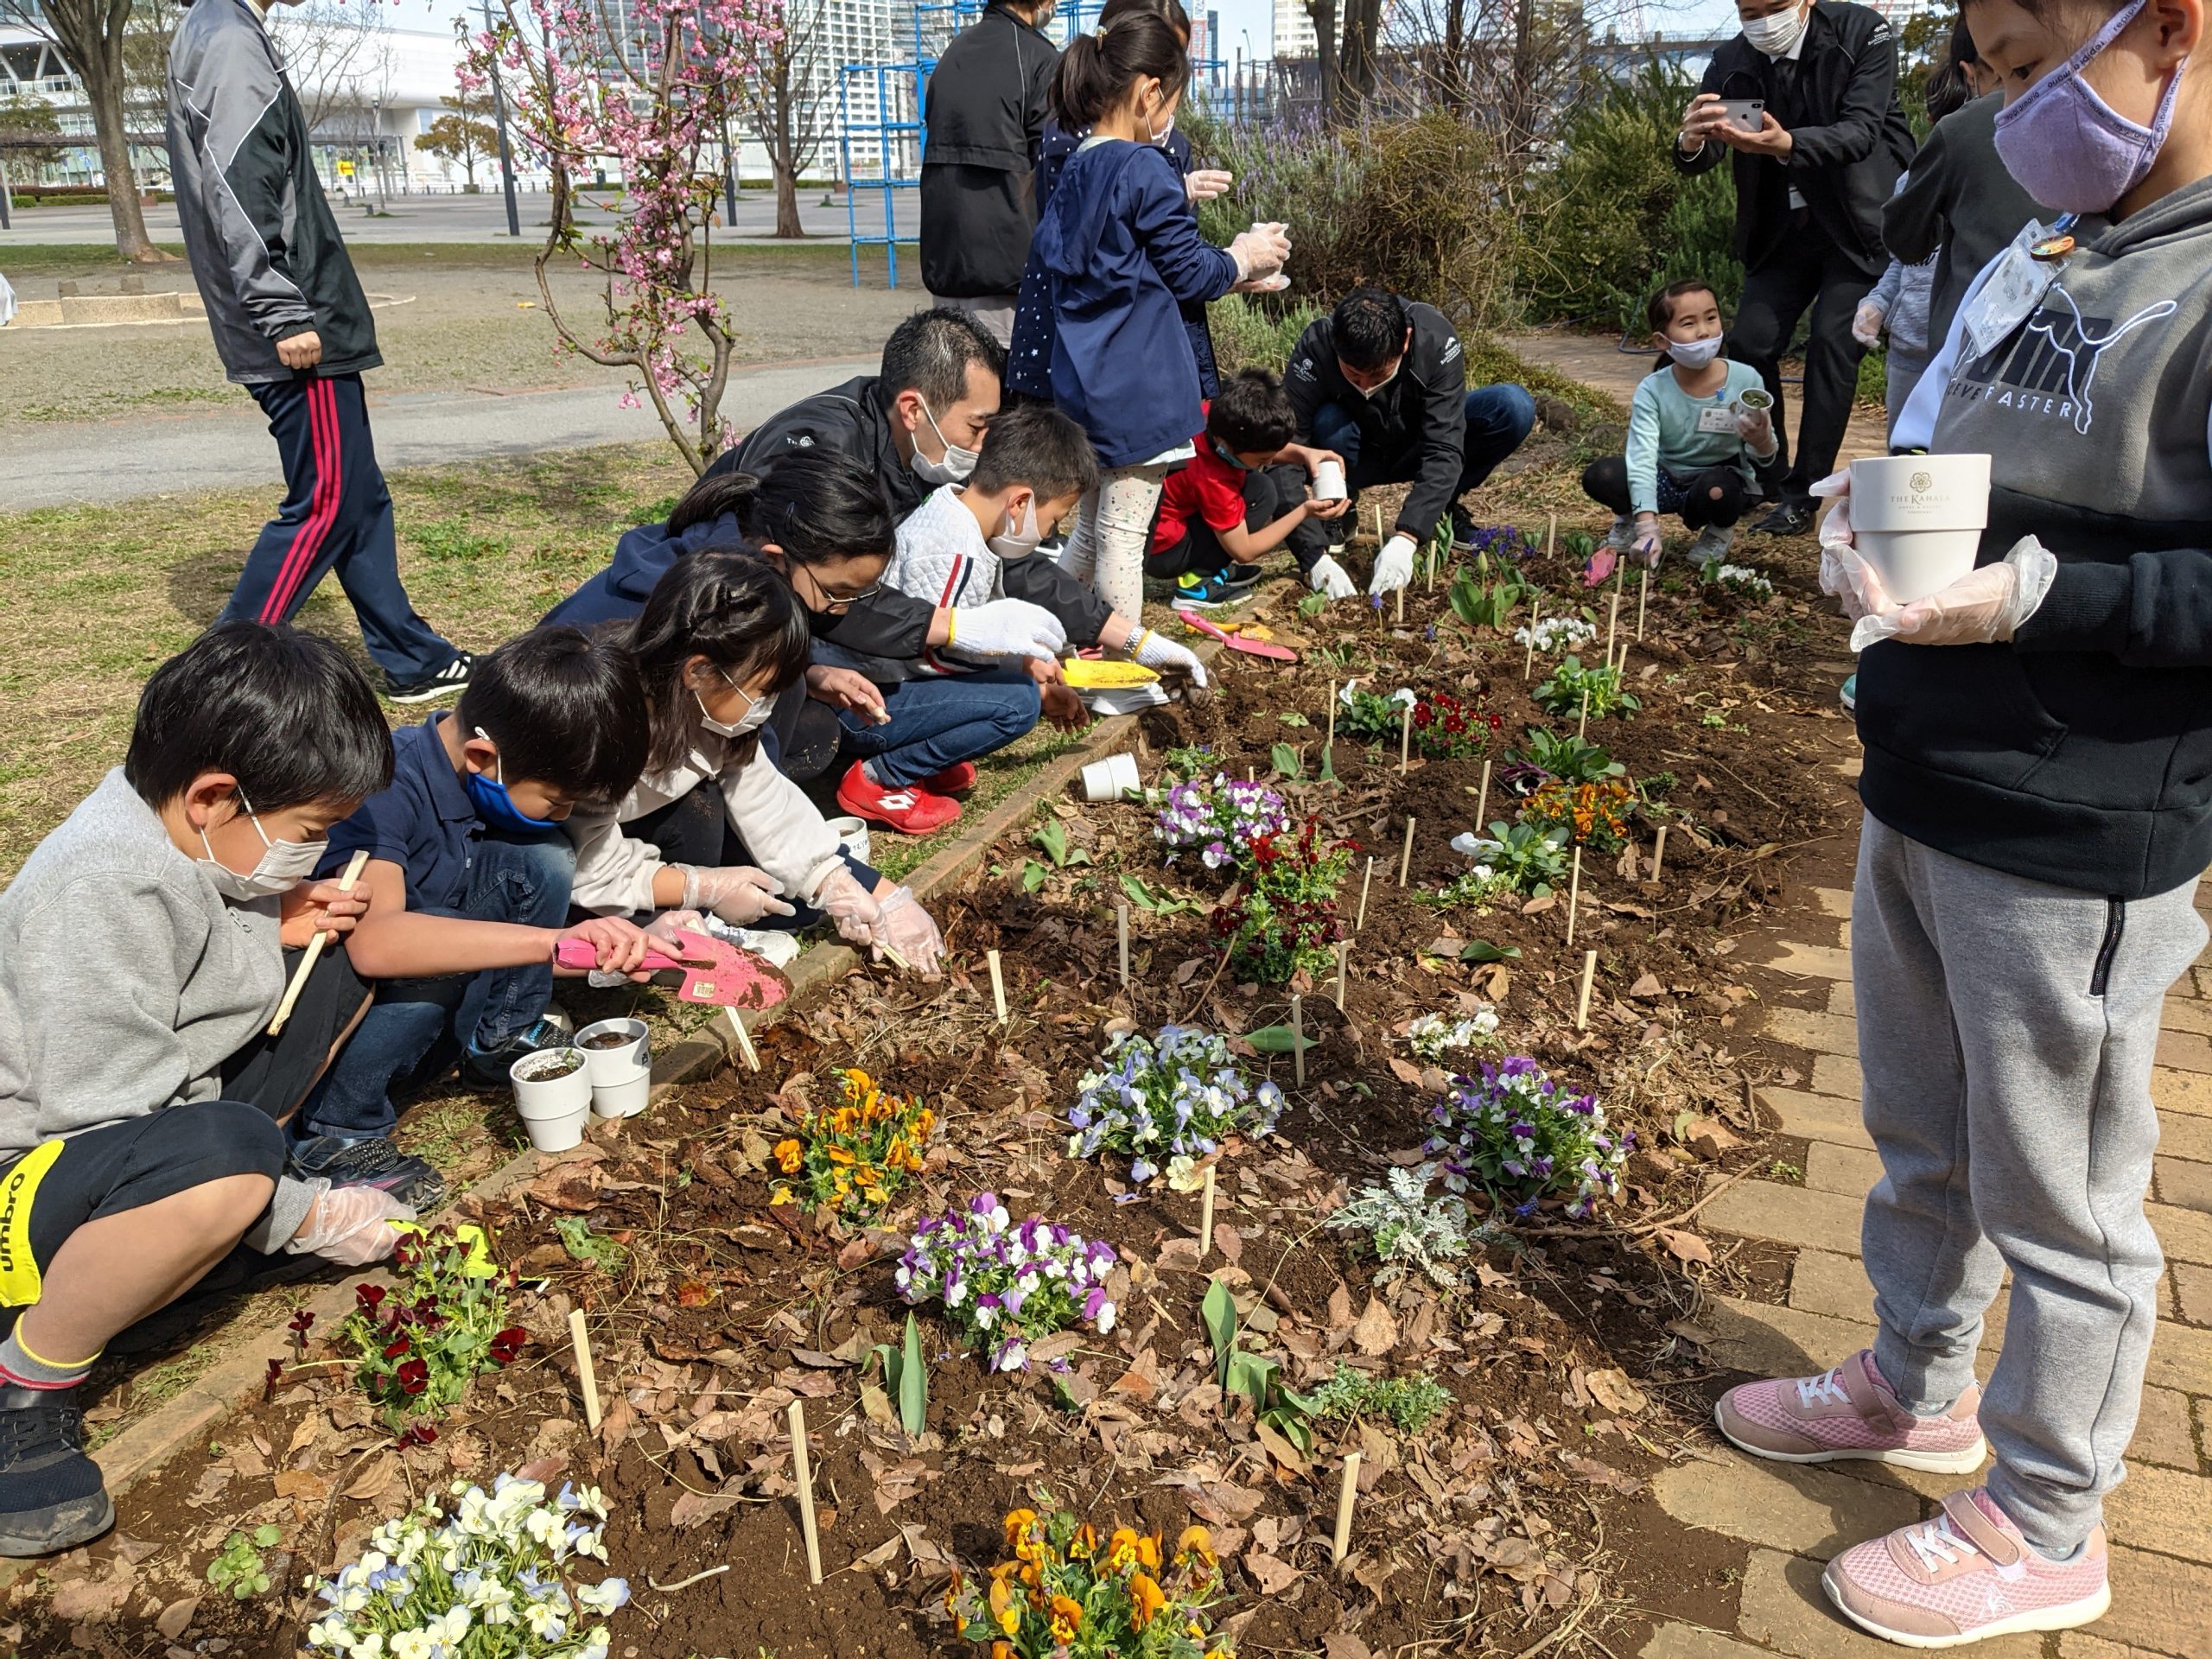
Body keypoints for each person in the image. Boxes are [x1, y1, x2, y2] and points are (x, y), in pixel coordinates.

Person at [1720, 0, 2212, 1644]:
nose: (2002, 109)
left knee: (2062, 1190)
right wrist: (1873, 506)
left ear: (2169, 29)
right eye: (1987, 72)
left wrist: (2041, 596)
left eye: (2023, 65)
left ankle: (2050, 1517)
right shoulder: (2063, 239)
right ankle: (1917, 1382)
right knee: (1925, 1131)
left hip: (2077, 819)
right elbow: (1955, 445)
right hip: (1930, 761)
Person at [0, 624, 413, 1555]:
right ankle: (27, 1381)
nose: (313, 855)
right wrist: (296, 1212)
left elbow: (191, 954)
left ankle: (209, 1225)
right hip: (22, 1183)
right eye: (308, 834)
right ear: (213, 797)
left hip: (128, 1127)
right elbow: (102, 1110)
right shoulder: (103, 882)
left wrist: (273, 920)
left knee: (328, 974)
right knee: (228, 1155)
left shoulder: (174, 836)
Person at [165, 0, 470, 704]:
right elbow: (239, 185)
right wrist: (279, 308)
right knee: (329, 500)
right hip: (295, 322)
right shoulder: (230, 37)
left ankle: (411, 658)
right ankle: (215, 684)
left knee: (357, 496)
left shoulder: (220, 28)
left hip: (297, 312)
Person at [289, 629, 660, 1208]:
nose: (564, 814)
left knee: (542, 858)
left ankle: (500, 1036)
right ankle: (336, 1132)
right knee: (436, 956)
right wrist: (551, 943)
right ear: (484, 758)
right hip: (353, 999)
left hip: (429, 976)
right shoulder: (381, 792)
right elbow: (378, 943)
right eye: (558, 800)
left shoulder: (479, 771)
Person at [1008, 10, 1289, 631]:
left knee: (1086, 535)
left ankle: (1043, 637)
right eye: (1174, 104)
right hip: (1141, 392)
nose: (1172, 122)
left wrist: (1235, 267)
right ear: (1148, 92)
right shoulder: (1145, 169)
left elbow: (1121, 266)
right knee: (1123, 540)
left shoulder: (1077, 163)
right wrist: (1243, 255)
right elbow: (1189, 272)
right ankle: (1119, 672)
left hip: (1086, 383)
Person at [567, 555, 947, 974]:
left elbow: (765, 797)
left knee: (798, 906)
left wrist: (840, 883)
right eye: (762, 690)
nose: (765, 708)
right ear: (699, 670)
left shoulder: (705, 707)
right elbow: (586, 865)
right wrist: (700, 888)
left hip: (617, 848)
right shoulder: (605, 728)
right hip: (558, 864)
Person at [823, 404, 1207, 809]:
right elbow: (933, 658)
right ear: (1020, 503)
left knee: (1018, 687)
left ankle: (929, 756)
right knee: (1018, 704)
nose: (1049, 533)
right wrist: (1031, 684)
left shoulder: (953, 510)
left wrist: (1023, 661)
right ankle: (881, 778)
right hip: (863, 707)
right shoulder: (954, 553)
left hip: (878, 687)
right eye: (1054, 519)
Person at [1674, 0, 1916, 535]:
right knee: (1752, 342)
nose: (1762, 20)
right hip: (1780, 229)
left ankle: (1804, 495)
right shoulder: (1734, 58)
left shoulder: (1863, 33)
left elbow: (1861, 131)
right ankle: (1770, 470)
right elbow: (1711, 147)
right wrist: (1691, 141)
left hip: (1858, 223)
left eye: (1775, 7)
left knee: (1834, 343)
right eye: (1749, 10)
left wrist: (1787, 144)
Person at [543, 453, 901, 784]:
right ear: (774, 558)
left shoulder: (731, 566)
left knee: (813, 726)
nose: (841, 608)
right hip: (578, 755)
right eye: (836, 592)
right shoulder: (703, 605)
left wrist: (811, 672)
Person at [1023, 0, 1235, 406]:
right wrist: (1236, 259)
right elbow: (1109, 254)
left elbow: (1172, 252)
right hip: (1110, 364)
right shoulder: (1101, 145)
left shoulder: (1151, 144)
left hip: (1121, 355)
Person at [1285, 288, 1537, 597]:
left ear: (1404, 341)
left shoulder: (1435, 340)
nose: (1365, 387)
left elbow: (1444, 445)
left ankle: (1441, 508)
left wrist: (1409, 534)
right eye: (1353, 375)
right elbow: (1282, 452)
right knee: (1327, 421)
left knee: (1513, 406)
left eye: (1377, 376)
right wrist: (1313, 556)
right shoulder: (1317, 346)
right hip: (1352, 452)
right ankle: (1338, 508)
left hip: (1415, 445)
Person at [1579, 281, 1782, 573]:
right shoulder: (1653, 389)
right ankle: (1629, 519)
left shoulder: (1746, 379)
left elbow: (1766, 458)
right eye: (1689, 323)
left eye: (1711, 318)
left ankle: (1719, 531)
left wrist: (1762, 439)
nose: (1704, 331)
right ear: (1662, 341)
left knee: (1719, 491)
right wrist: (1648, 527)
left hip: (1717, 479)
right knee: (1603, 475)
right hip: (1666, 476)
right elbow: (1642, 457)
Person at [1853, 29, 1998, 436]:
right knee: (1906, 457)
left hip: (1967, 356)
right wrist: (1878, 303)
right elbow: (1903, 262)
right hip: (1908, 352)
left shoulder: (1994, 183)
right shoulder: (1912, 183)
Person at [1881, 22, 2049, 369]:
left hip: (1970, 348)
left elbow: (1905, 239)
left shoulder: (1959, 128)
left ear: (1968, 74)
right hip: (2064, 339)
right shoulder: (2088, 116)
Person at [1142, 368, 1349, 607]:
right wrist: (1303, 512)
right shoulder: (1214, 479)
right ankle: (1195, 585)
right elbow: (1245, 551)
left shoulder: (1215, 416)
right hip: (1164, 550)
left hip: (1170, 519)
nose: (1270, 463)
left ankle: (1213, 565)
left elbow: (1259, 448)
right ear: (1226, 445)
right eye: (1263, 460)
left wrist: (1304, 453)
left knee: (1259, 487)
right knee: (1261, 496)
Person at [918, 0, 1061, 345]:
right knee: (1015, 396)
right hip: (1011, 279)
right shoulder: (1040, 58)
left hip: (946, 269)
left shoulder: (952, 55)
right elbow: (1054, 170)